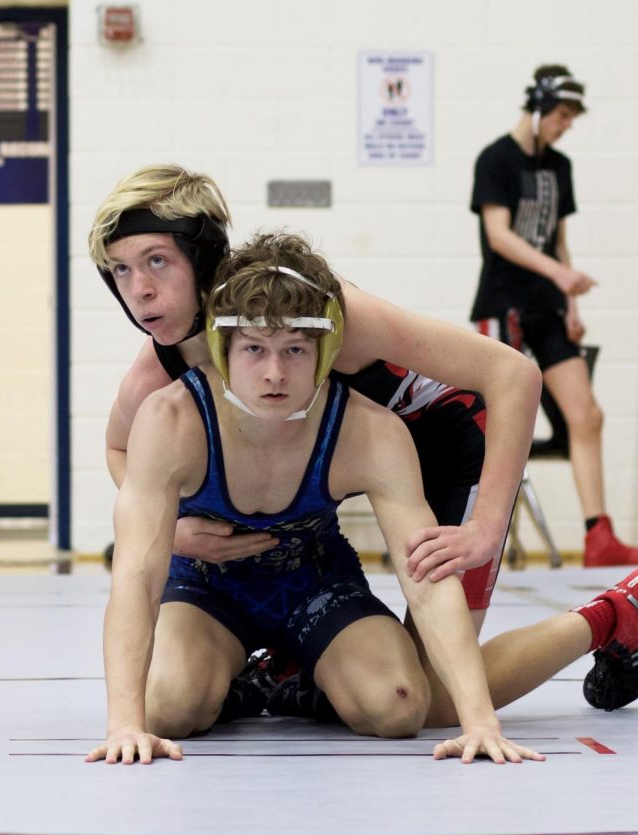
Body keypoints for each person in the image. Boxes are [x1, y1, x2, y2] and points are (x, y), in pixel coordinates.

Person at [85, 238, 546, 765]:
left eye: (295, 350)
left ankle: (297, 678)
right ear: (224, 350)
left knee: (401, 706)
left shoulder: (370, 431)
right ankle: (246, 685)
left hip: (315, 582)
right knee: (166, 705)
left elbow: (425, 578)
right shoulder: (169, 419)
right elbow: (136, 576)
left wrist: (480, 723)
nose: (275, 373)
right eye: (255, 349)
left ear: (325, 353)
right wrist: (124, 724)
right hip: (209, 586)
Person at [470, 64, 638, 568]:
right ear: (537, 108)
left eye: (571, 117)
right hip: (502, 305)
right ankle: (483, 533)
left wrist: (571, 301)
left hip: (548, 307)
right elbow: (500, 235)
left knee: (587, 415)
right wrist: (557, 276)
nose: (566, 125)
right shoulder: (495, 160)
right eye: (561, 114)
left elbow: (558, 238)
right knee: (496, 424)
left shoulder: (559, 167)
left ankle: (598, 536)